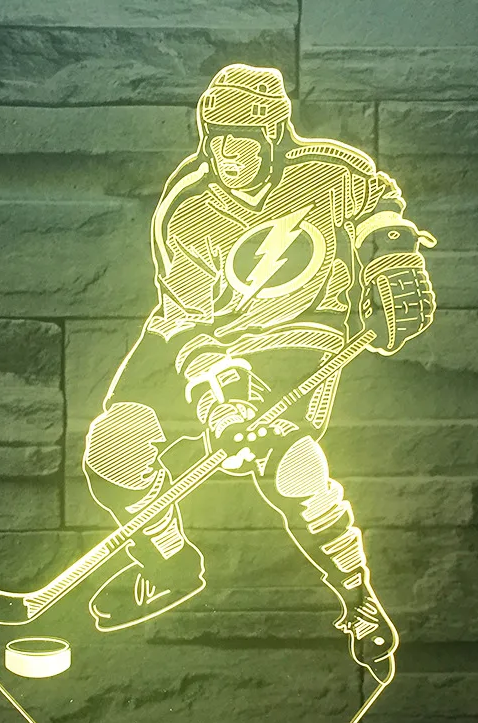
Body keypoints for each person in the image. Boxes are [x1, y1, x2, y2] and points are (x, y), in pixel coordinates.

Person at [82, 63, 436, 684]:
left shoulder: (330, 172)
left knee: (293, 465)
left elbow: (379, 203)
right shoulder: (186, 210)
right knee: (114, 450)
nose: (231, 158)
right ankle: (169, 565)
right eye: (219, 142)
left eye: (245, 142)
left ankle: (356, 598)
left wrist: (394, 258)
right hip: (194, 337)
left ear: (274, 136)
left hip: (299, 334)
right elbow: (189, 322)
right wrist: (221, 401)